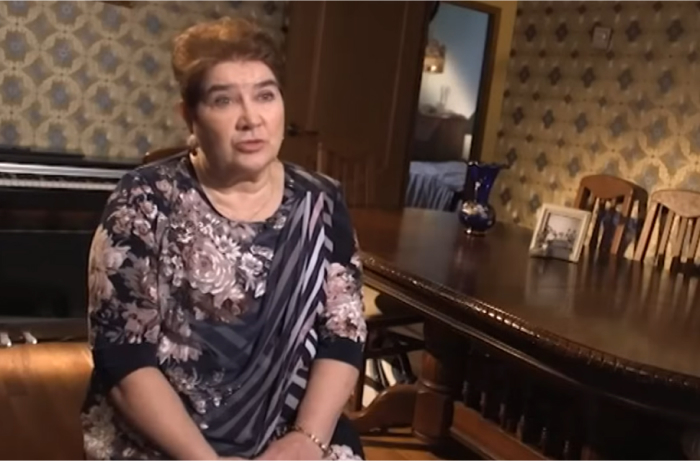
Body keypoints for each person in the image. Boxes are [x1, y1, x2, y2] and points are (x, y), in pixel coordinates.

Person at [81, 16, 366, 460]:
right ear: (190, 117)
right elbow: (123, 359)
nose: (251, 119)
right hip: (166, 438)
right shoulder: (144, 200)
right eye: (224, 100)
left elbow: (343, 335)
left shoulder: (321, 202)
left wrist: (306, 439)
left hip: (291, 431)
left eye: (265, 95)